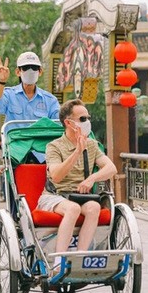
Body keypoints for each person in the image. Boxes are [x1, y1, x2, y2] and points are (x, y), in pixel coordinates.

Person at [37, 99, 116, 271]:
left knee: (94, 207)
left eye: (88, 118)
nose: (87, 122)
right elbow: (56, 176)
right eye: (82, 119)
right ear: (68, 123)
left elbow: (111, 168)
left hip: (80, 196)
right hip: (54, 196)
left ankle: (81, 257)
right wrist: (77, 153)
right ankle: (59, 261)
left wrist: (92, 178)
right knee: (73, 209)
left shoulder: (92, 145)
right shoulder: (54, 146)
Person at [0, 51, 60, 124]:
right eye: (25, 68)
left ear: (40, 71)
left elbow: (59, 124)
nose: (30, 71)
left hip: (39, 135)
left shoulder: (50, 100)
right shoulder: (9, 94)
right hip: (13, 135)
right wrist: (2, 81)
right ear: (18, 72)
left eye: (34, 68)